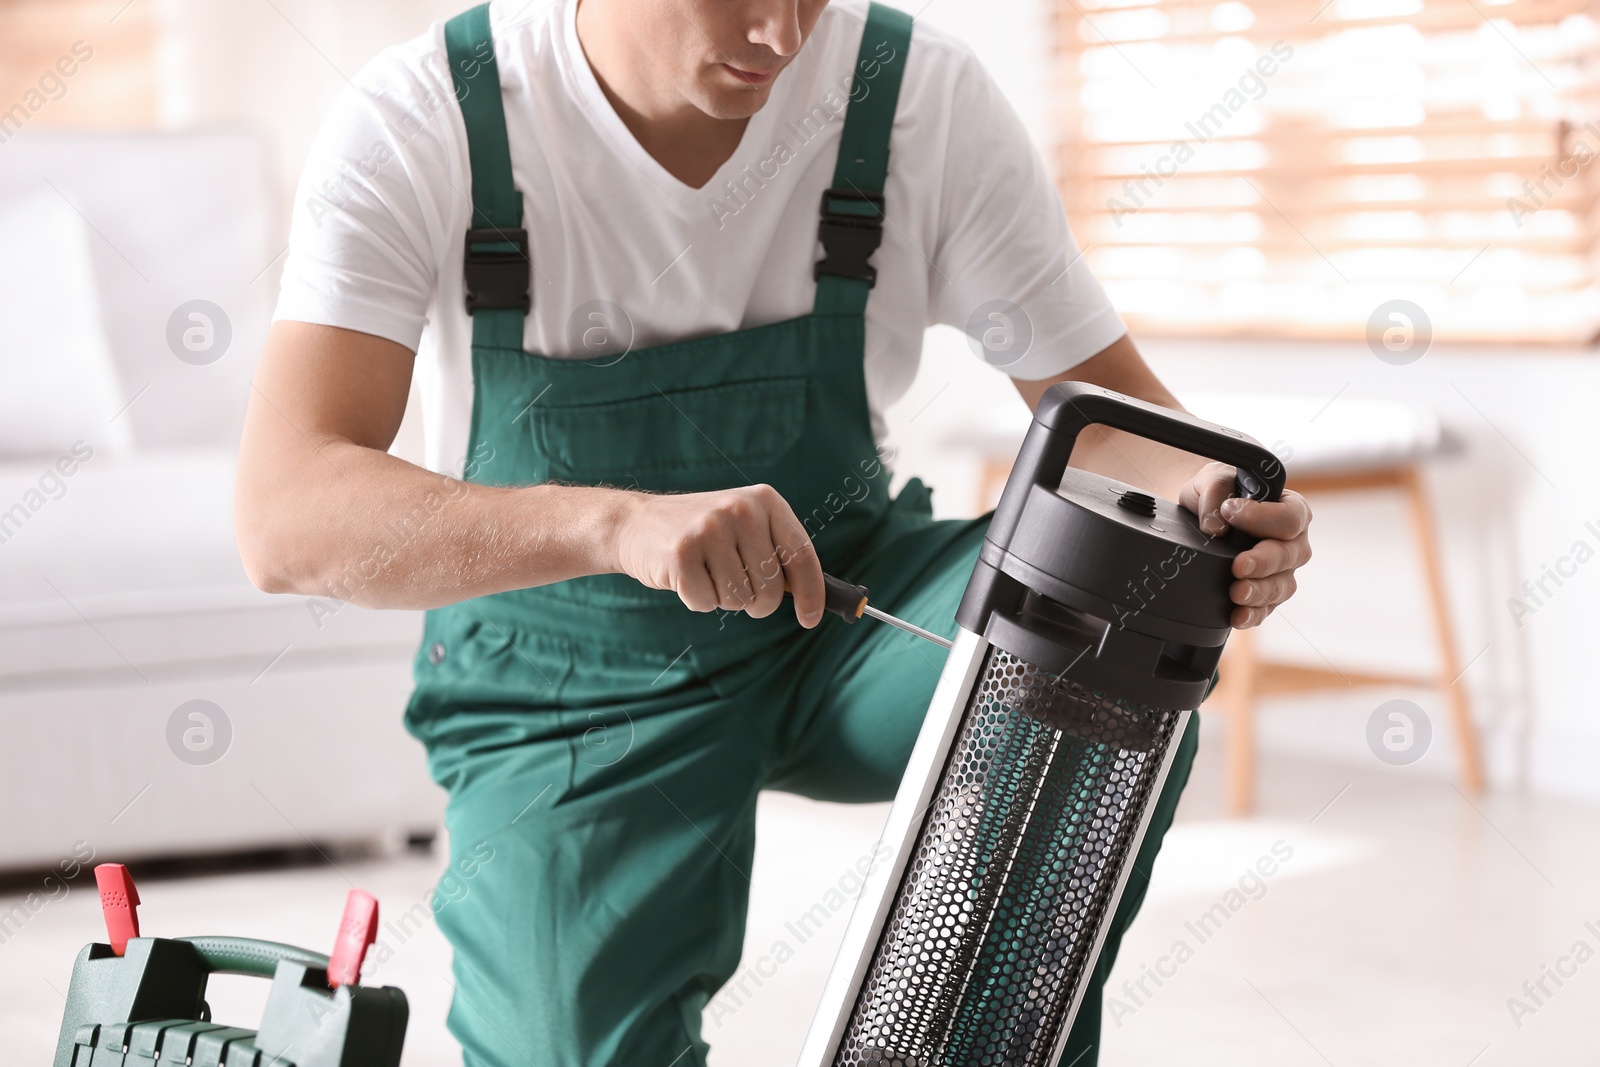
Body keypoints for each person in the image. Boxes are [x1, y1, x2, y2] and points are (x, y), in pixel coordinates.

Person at [234, 0, 1313, 1062]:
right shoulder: (429, 113)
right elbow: (287, 518)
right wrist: (614, 523)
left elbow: (1122, 427)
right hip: (560, 678)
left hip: (843, 621)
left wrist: (1224, 507)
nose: (781, 34)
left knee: (1110, 617)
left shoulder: (916, 98)